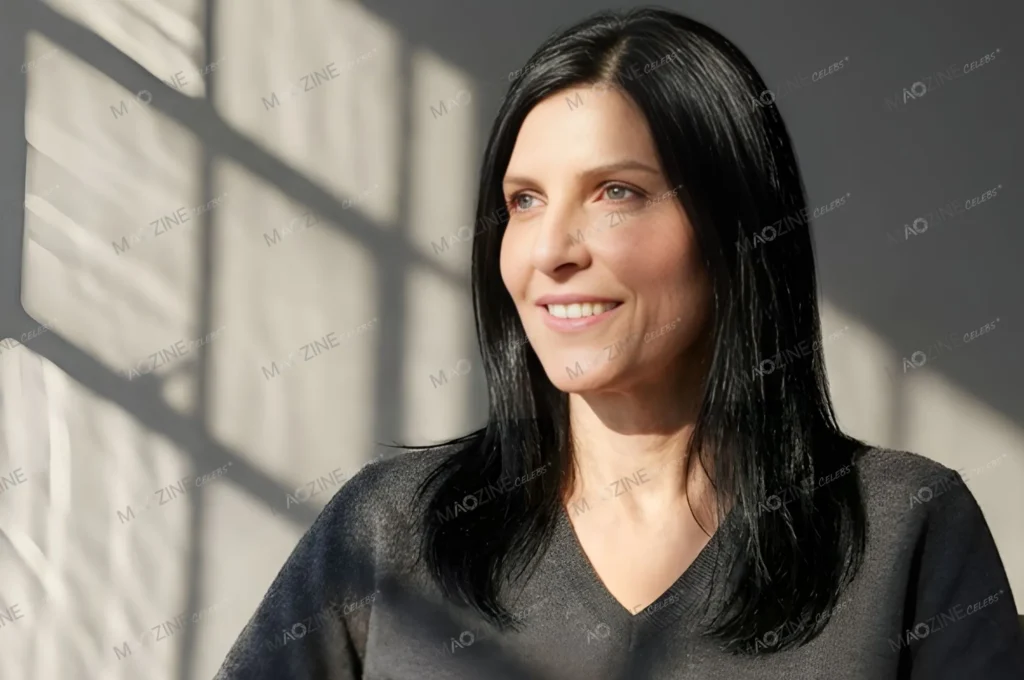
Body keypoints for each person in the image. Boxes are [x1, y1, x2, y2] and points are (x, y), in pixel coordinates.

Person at [214, 7, 1024, 678]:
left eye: (616, 192)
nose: (551, 249)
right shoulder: (392, 530)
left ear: (734, 231)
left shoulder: (902, 528)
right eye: (524, 201)